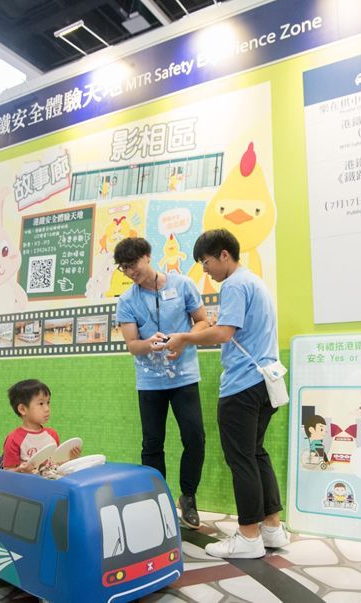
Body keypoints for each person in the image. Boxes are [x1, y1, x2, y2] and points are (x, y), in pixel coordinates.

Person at [165, 229, 289, 558]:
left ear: (223, 255)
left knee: (241, 459)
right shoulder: (253, 282)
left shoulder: (234, 284)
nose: (205, 270)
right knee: (256, 454)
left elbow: (222, 333)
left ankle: (248, 536)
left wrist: (184, 338)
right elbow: (231, 327)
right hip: (265, 383)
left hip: (243, 386)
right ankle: (272, 527)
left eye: (206, 262)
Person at [114, 237, 208, 529]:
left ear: (147, 256)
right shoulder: (127, 301)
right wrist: (148, 344)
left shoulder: (181, 286)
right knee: (152, 444)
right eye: (124, 268)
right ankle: (157, 500)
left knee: (195, 438)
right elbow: (131, 344)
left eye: (133, 264)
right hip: (150, 382)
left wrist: (184, 340)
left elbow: (203, 321)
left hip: (184, 377)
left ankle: (188, 497)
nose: (130, 272)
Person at [2, 379, 79, 474]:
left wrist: (71, 459)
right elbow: (6, 473)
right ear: (22, 409)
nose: (47, 409)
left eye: (48, 403)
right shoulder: (14, 439)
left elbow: (55, 464)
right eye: (41, 404)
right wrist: (21, 470)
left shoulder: (52, 434)